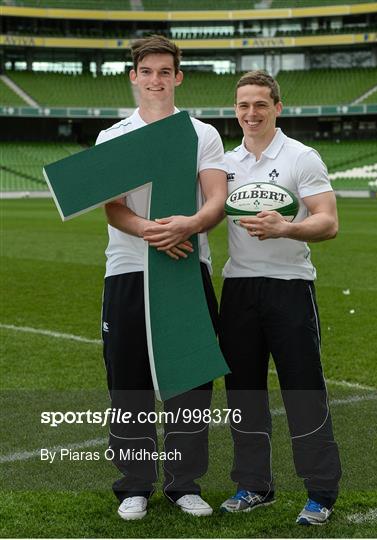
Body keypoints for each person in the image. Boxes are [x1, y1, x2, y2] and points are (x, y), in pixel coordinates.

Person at [96, 35, 227, 520]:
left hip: (185, 266)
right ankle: (134, 485)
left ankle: (183, 484)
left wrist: (189, 225)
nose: (155, 79)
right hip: (129, 268)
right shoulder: (113, 136)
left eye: (164, 72)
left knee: (190, 381)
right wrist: (151, 231)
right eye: (146, 71)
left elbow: (214, 198)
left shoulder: (201, 133)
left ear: (178, 77)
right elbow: (111, 207)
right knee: (127, 380)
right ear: (134, 77)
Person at [219, 70, 342, 525]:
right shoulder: (227, 163)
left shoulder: (300, 157)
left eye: (260, 105)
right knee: (243, 391)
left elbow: (328, 222)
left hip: (290, 286)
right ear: (236, 110)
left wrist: (286, 227)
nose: (251, 114)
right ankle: (254, 485)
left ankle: (320, 493)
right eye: (243, 106)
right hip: (238, 288)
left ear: (277, 107)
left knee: (303, 390)